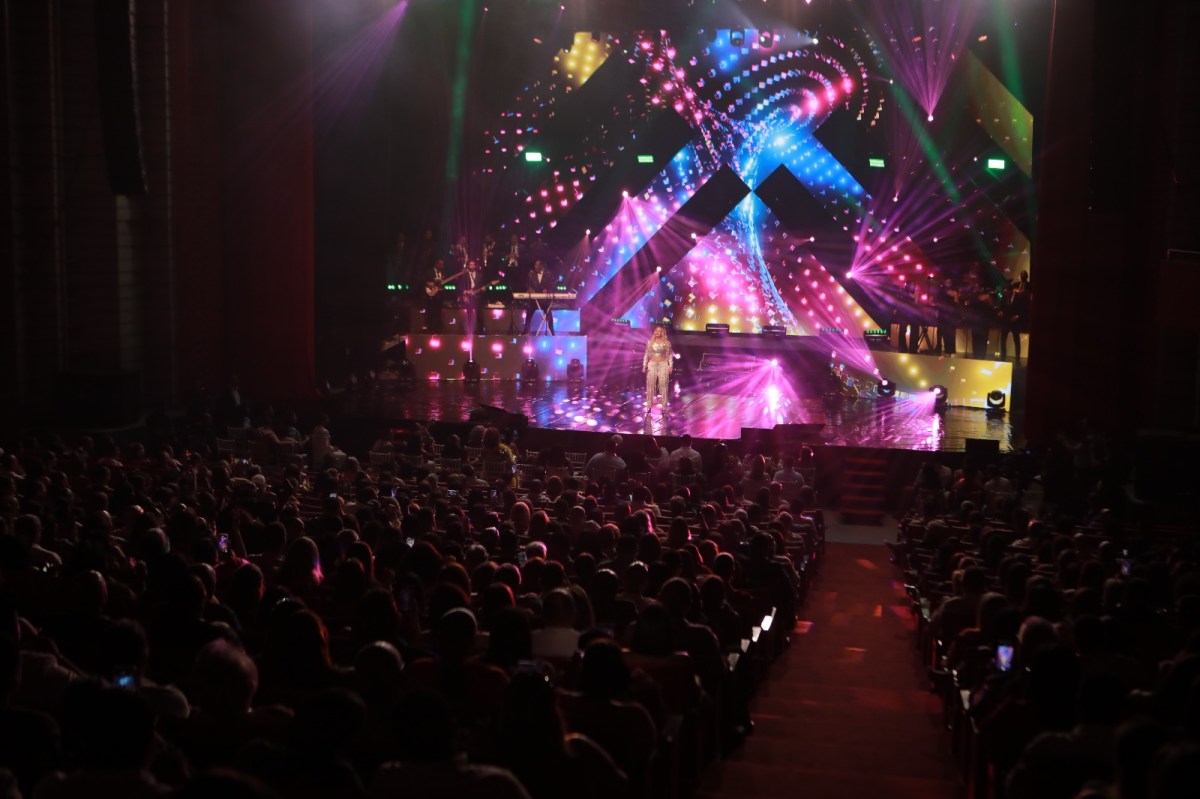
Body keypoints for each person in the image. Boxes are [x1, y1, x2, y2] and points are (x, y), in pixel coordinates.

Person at [642, 325, 673, 412]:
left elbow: (670, 355)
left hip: (663, 365)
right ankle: (649, 405)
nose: (657, 332)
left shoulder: (667, 343)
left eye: (659, 331)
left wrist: (670, 366)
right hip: (652, 365)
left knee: (663, 386)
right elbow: (646, 354)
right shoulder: (650, 342)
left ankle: (664, 406)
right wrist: (644, 365)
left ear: (662, 333)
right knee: (650, 385)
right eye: (656, 330)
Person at [424, 258, 459, 334]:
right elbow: (423, 281)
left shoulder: (443, 273)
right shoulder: (429, 272)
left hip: (440, 295)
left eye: (443, 264)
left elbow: (446, 282)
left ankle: (437, 329)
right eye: (441, 264)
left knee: (438, 312)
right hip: (431, 295)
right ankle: (430, 329)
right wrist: (429, 283)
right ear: (436, 264)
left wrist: (454, 279)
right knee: (430, 312)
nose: (442, 265)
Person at [522, 260, 555, 335]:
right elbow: (527, 284)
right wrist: (529, 288)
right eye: (535, 265)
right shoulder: (531, 274)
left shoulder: (548, 274)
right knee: (529, 313)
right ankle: (525, 331)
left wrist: (547, 290)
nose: (536, 267)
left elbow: (552, 285)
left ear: (541, 266)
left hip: (544, 301)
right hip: (534, 300)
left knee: (549, 314)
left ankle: (552, 332)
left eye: (537, 265)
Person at [461, 259, 488, 336]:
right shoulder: (464, 276)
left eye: (473, 265)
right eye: (470, 265)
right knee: (469, 316)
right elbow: (461, 287)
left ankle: (480, 332)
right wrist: (465, 293)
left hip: (478, 297)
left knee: (480, 315)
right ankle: (468, 332)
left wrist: (483, 289)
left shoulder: (480, 276)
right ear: (468, 266)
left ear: (475, 266)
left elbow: (483, 287)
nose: (472, 266)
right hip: (468, 298)